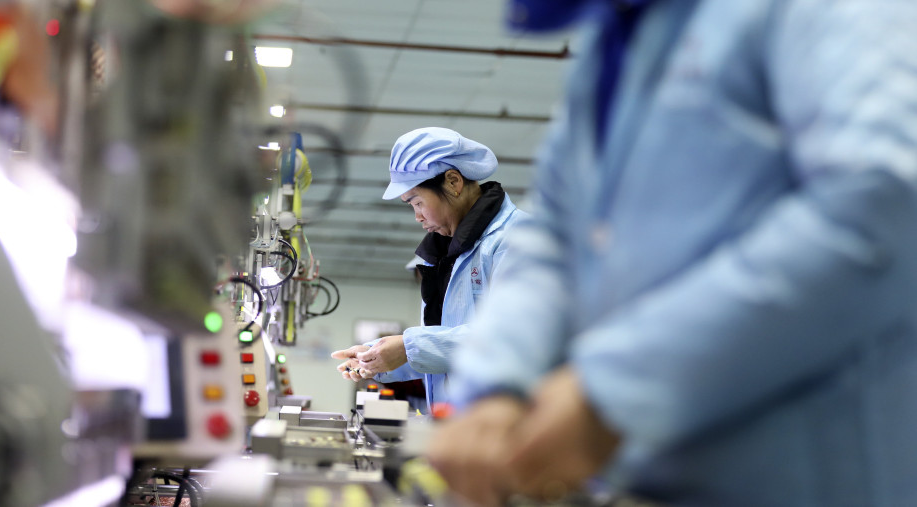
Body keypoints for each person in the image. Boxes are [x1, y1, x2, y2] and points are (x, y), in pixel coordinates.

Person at [427, 0, 917, 505]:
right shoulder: (619, 39)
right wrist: (497, 385)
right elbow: (559, 236)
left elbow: (881, 206)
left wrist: (611, 392)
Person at [331, 127, 526, 408]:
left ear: (453, 182)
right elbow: (447, 351)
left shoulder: (517, 239)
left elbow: (513, 336)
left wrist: (410, 348)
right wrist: (379, 358)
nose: (417, 217)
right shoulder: (446, 254)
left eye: (418, 202)